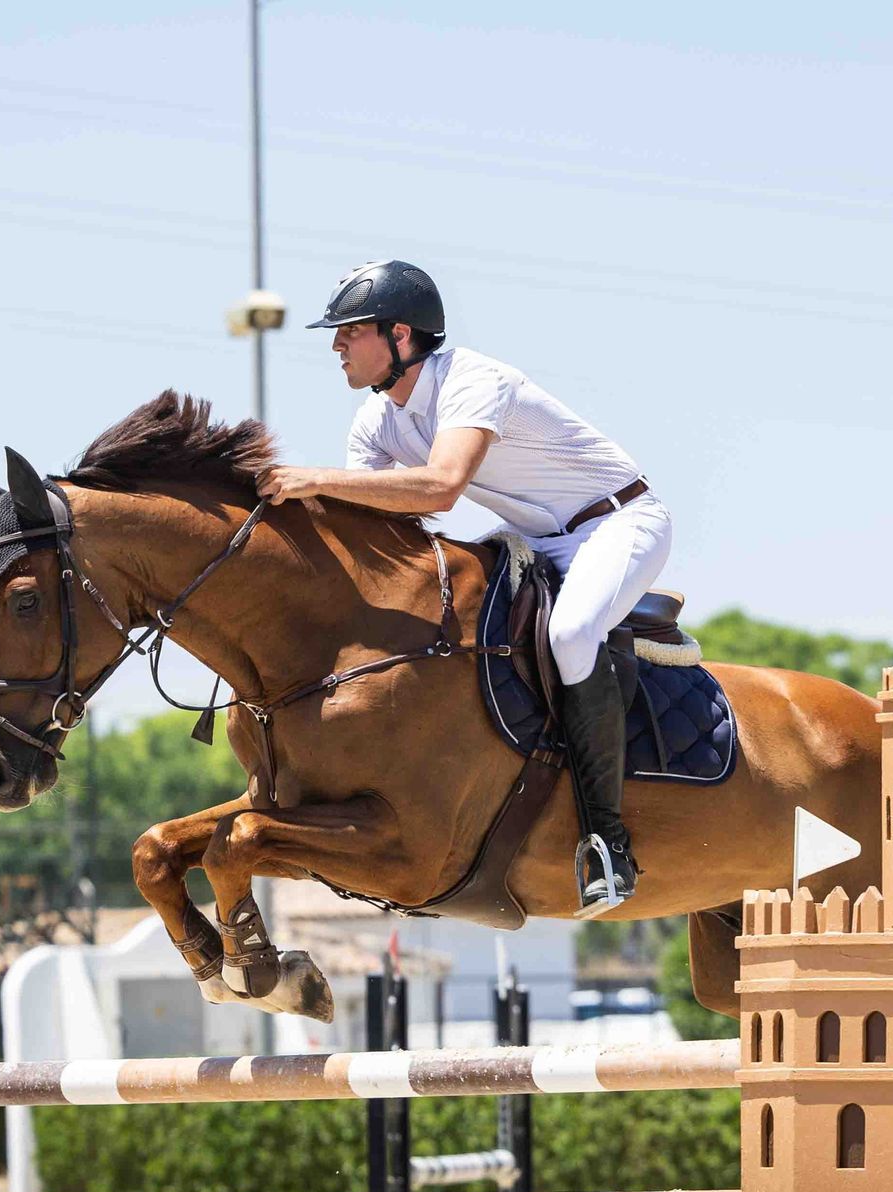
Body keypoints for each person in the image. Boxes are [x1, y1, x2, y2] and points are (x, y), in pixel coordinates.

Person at [255, 260, 672, 914]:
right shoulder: (376, 421)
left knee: (569, 634)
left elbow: (442, 486)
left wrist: (313, 479)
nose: (336, 345)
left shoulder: (473, 380)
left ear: (400, 334)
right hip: (533, 535)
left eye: (351, 331)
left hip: (617, 522)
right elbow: (368, 526)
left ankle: (607, 843)